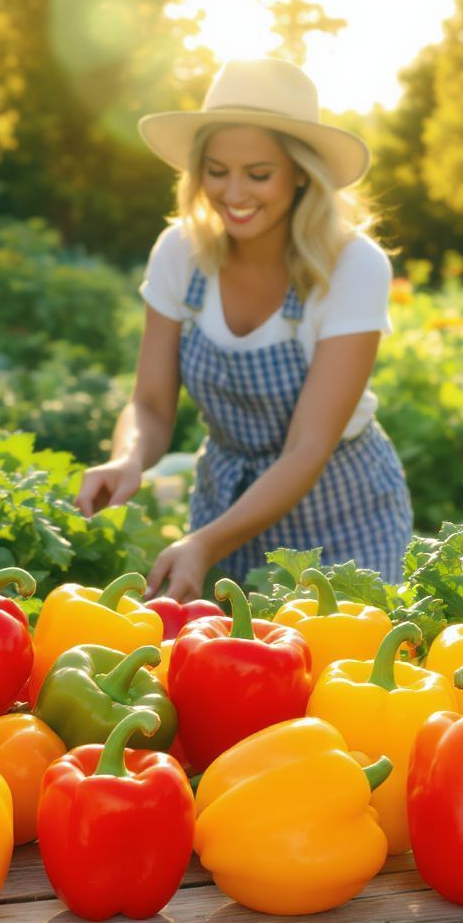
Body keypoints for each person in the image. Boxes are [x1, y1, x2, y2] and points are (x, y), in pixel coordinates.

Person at [75, 58, 413, 601]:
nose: (234, 193)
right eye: (216, 171)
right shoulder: (181, 252)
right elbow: (152, 405)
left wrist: (204, 544)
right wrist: (128, 458)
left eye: (258, 174)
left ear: (301, 172)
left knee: (339, 654)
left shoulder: (352, 265)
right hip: (224, 504)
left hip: (344, 515)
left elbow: (307, 446)